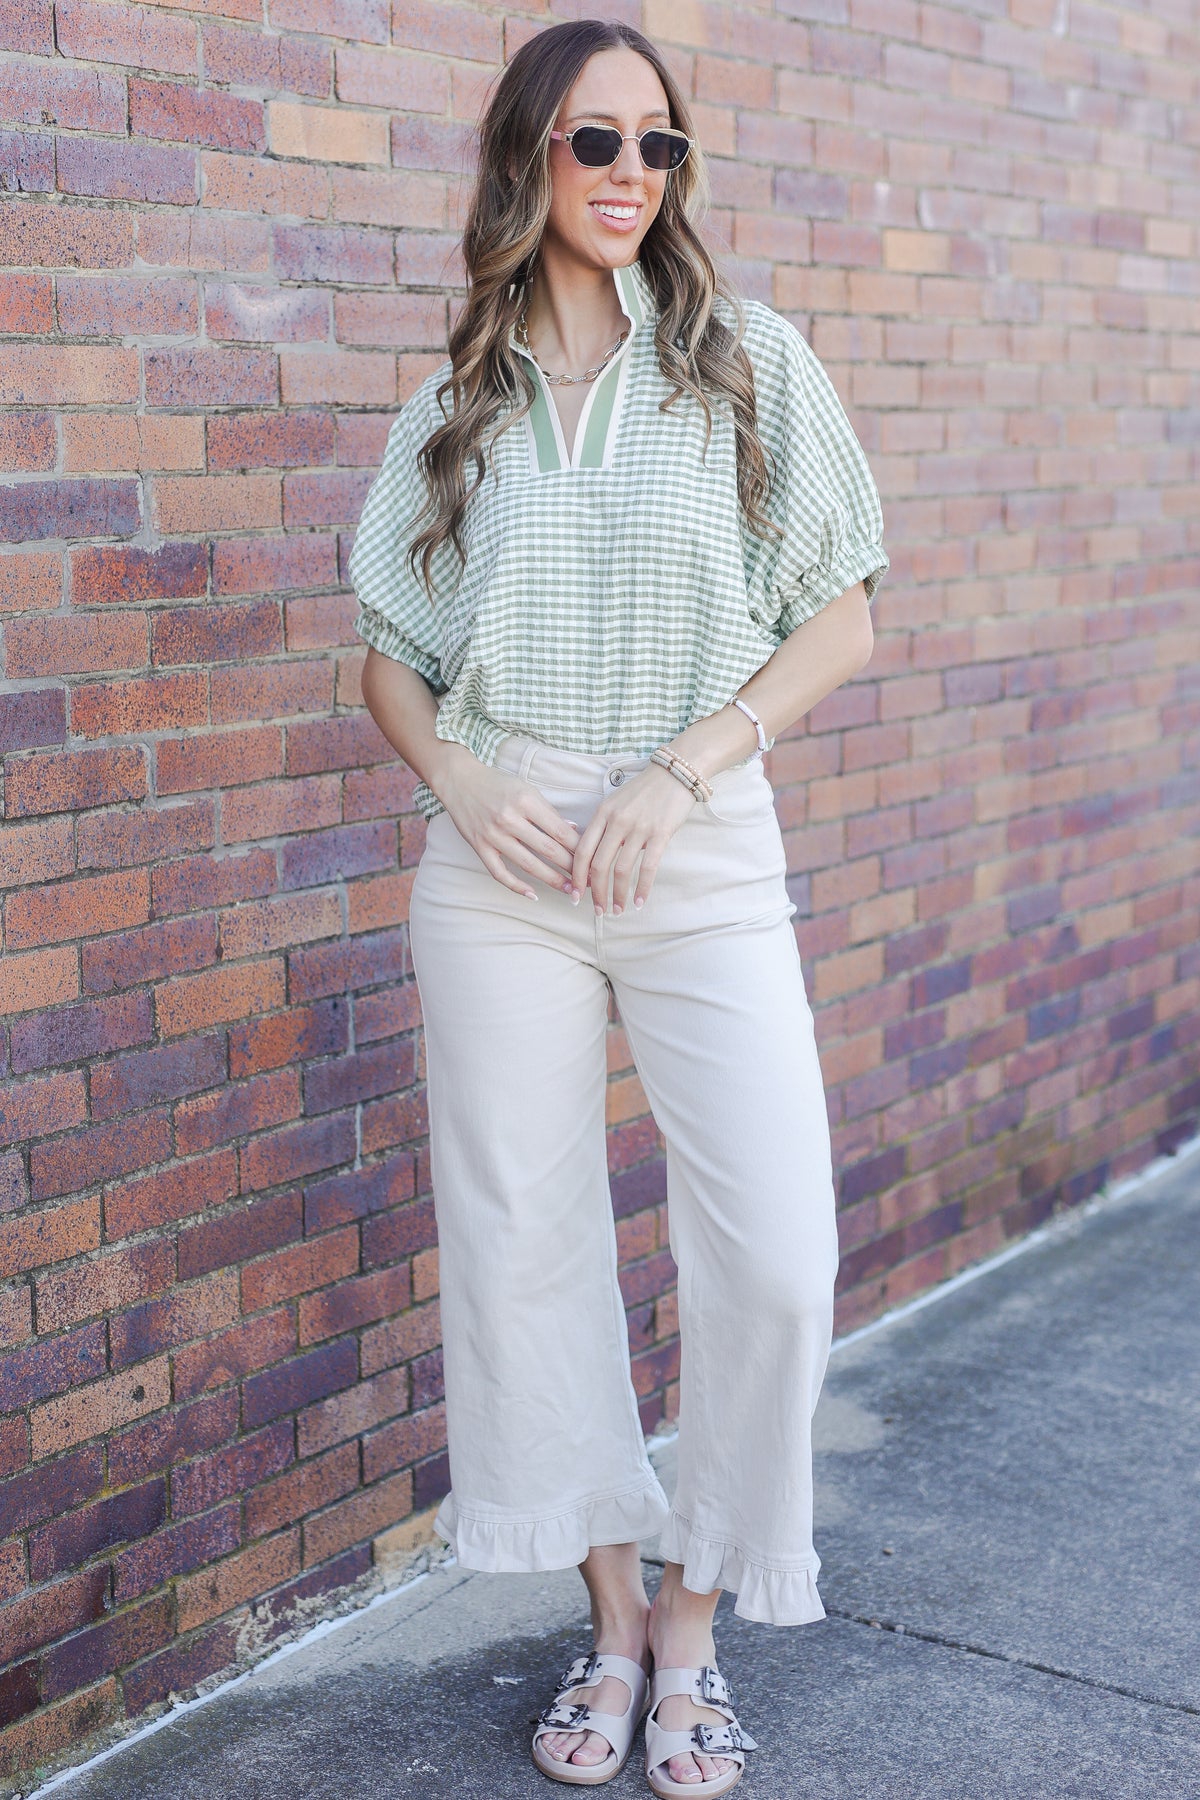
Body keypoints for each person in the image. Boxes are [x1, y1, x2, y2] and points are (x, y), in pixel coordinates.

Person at [349, 18, 888, 1796]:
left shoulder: (747, 365)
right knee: (525, 1248)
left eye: (662, 148)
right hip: (499, 868)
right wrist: (467, 786)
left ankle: (698, 1615)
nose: (633, 179)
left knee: (779, 1260)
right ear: (531, 159)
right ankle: (605, 1617)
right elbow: (390, 659)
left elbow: (845, 615)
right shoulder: (464, 402)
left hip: (696, 846)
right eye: (597, 144)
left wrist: (682, 768)